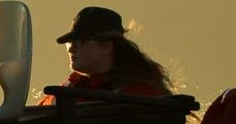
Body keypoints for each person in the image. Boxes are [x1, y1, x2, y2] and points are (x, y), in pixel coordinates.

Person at [37, 6, 173, 106]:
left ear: (106, 46)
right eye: (70, 43)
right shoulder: (147, 92)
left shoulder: (75, 94)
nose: (71, 49)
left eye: (79, 41)